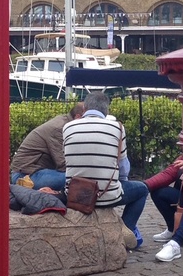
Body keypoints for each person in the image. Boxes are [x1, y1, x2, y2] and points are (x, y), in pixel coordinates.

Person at [62, 91, 149, 247]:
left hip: (75, 196)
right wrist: (121, 180)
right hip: (106, 196)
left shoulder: (68, 127)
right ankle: (123, 229)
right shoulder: (117, 127)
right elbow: (123, 167)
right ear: (106, 110)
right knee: (142, 189)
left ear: (85, 108)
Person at [11, 102, 84, 191]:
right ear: (78, 117)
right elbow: (63, 164)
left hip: (37, 171)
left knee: (82, 178)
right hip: (25, 176)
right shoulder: (59, 129)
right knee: (80, 181)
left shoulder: (64, 123)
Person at [145, 156, 183, 240]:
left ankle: (182, 234)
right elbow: (169, 174)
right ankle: (172, 229)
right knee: (158, 192)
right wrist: (145, 186)